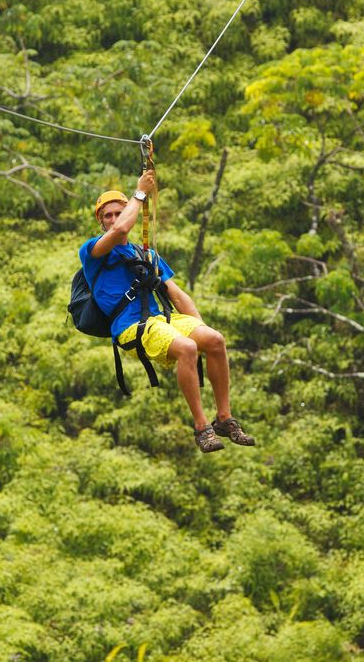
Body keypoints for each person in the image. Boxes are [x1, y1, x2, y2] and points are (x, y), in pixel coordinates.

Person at [80, 168, 255, 453]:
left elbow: (176, 294)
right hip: (130, 326)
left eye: (117, 213)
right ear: (100, 222)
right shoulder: (93, 251)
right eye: (107, 216)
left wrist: (202, 331)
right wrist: (140, 193)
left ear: (127, 213)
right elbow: (120, 230)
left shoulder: (146, 255)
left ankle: (224, 418)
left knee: (215, 340)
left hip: (161, 319)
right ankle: (202, 428)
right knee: (186, 347)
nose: (113, 219)